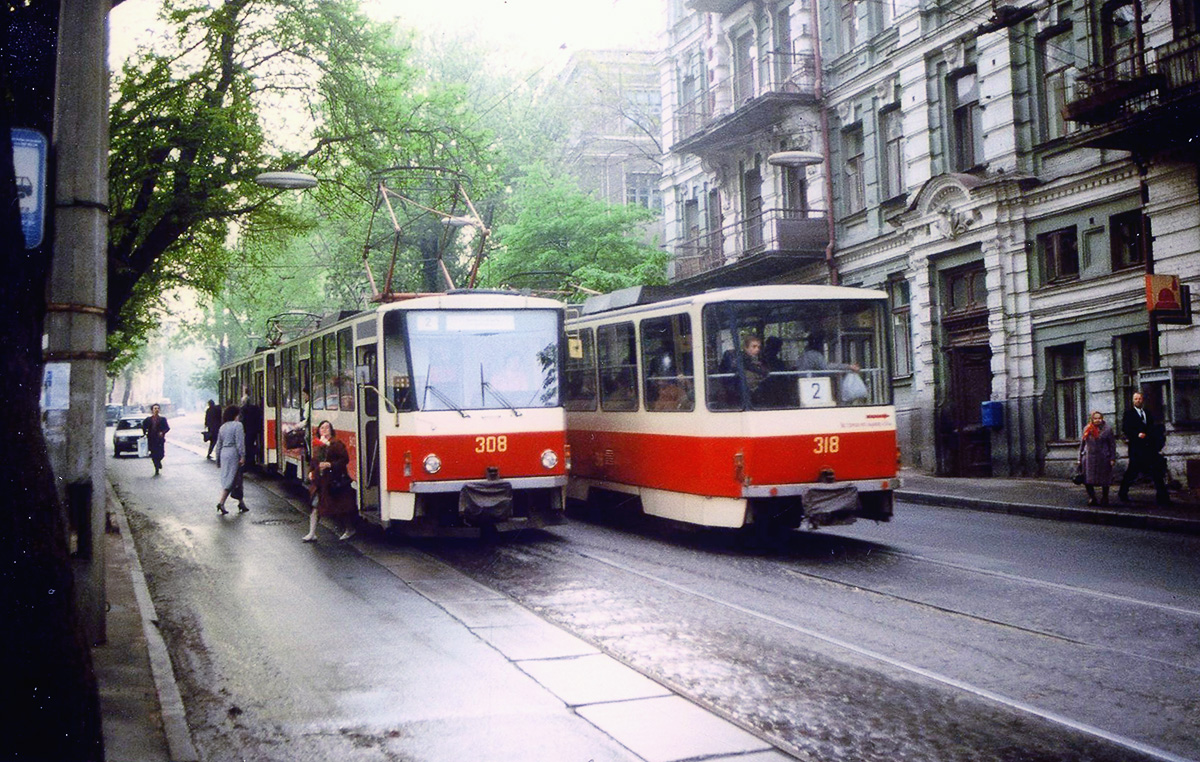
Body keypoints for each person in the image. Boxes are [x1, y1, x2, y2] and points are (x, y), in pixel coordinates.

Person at [301, 420, 357, 542]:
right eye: (322, 428)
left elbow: (344, 460)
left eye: (327, 428)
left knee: (341, 508)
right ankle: (312, 533)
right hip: (321, 482)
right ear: (319, 430)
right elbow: (314, 461)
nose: (325, 430)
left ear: (331, 430)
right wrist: (311, 471)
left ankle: (349, 529)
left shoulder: (337, 444)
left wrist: (330, 464)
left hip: (333, 482)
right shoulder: (318, 445)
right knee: (316, 506)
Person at [1118, 391, 1171, 505]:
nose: (1138, 401)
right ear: (1133, 401)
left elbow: (1152, 428)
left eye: (1140, 399)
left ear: (1143, 400)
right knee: (1132, 471)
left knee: (1156, 471)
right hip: (1136, 448)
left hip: (1149, 448)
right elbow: (1125, 428)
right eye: (1136, 399)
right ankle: (1123, 492)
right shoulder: (1129, 414)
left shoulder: (1147, 413)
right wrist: (1136, 434)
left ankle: (1162, 497)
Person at [214, 405, 248, 515]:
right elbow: (240, 443)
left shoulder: (222, 427)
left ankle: (241, 503)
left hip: (224, 453)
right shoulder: (238, 426)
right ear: (235, 415)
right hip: (233, 453)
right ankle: (221, 502)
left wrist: (218, 459)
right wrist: (242, 456)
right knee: (232, 479)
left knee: (237, 478)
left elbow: (218, 444)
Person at [1078, 410, 1116, 506]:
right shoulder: (1087, 429)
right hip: (1089, 458)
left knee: (1105, 479)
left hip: (1103, 457)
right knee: (1087, 479)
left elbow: (1112, 445)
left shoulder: (1107, 429)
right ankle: (1092, 497)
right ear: (1092, 419)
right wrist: (1079, 457)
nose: (1097, 420)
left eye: (1099, 418)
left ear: (1102, 419)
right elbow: (1082, 444)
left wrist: (1112, 458)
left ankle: (1105, 497)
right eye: (1095, 418)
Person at [141, 403, 170, 476]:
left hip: (160, 440)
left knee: (161, 453)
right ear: (152, 410)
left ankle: (159, 461)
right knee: (153, 454)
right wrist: (145, 433)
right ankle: (156, 467)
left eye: (158, 408)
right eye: (155, 408)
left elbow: (167, 428)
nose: (156, 410)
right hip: (151, 439)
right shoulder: (148, 419)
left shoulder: (163, 419)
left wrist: (162, 432)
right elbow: (143, 426)